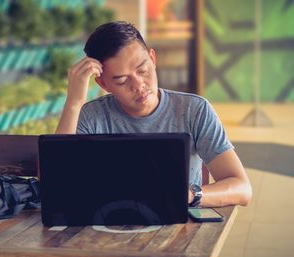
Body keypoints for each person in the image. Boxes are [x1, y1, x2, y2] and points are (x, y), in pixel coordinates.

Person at [55, 21, 252, 208]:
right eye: (122, 81)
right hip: (107, 223)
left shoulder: (194, 109)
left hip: (178, 226)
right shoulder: (91, 116)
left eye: (143, 70)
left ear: (153, 58)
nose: (139, 86)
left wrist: (189, 195)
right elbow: (56, 184)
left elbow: (242, 188)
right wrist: (74, 103)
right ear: (103, 84)